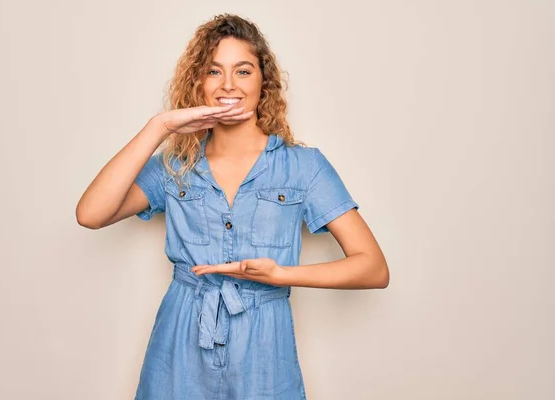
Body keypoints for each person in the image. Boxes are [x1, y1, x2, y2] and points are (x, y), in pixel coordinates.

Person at [76, 13, 389, 400]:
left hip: (263, 346)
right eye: (213, 71)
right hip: (181, 338)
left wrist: (282, 275)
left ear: (264, 82)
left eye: (243, 71)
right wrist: (160, 127)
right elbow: (90, 214)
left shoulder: (304, 167)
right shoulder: (175, 166)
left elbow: (373, 267)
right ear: (198, 83)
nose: (228, 85)